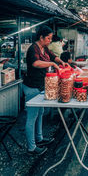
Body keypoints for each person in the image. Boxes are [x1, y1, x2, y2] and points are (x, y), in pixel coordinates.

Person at [23, 25, 65, 156]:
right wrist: (52, 64)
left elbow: (53, 57)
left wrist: (61, 62)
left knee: (40, 113)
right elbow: (36, 63)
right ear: (41, 37)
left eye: (51, 38)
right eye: (48, 38)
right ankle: (31, 147)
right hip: (31, 87)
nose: (50, 41)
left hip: (41, 86)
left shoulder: (44, 48)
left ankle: (39, 138)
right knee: (32, 117)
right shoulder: (33, 49)